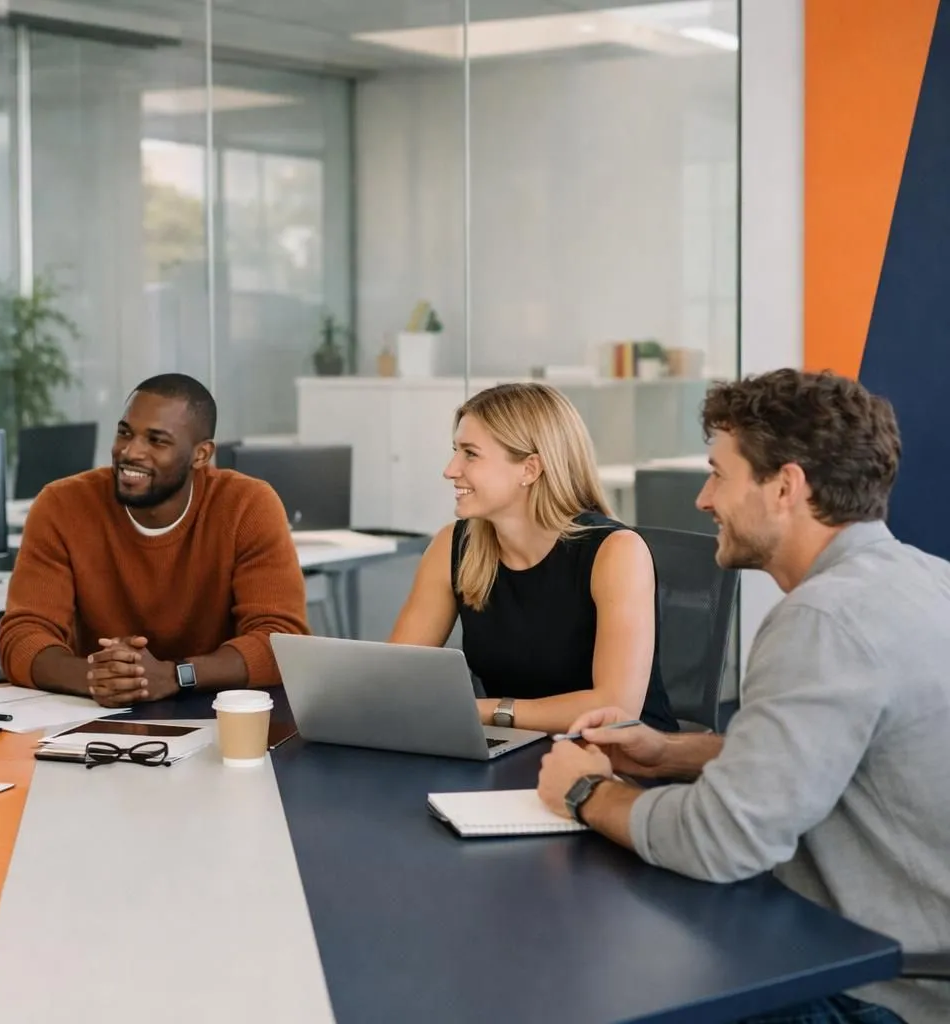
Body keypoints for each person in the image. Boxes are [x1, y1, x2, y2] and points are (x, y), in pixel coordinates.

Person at [537, 369, 950, 1024]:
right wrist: (669, 755)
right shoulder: (926, 578)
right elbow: (842, 753)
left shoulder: (825, 618)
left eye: (719, 475)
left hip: (878, 991)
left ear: (785, 487)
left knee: (583, 984)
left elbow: (720, 840)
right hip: (894, 958)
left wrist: (587, 791)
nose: (704, 499)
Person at [0, 373, 310, 707]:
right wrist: (97, 677)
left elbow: (280, 641)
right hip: (93, 715)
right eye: (124, 433)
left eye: (157, 440)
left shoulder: (247, 506)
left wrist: (176, 676)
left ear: (201, 455)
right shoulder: (62, 505)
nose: (130, 452)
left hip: (217, 712)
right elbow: (23, 635)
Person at [387, 381, 676, 735]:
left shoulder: (615, 552)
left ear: (529, 469)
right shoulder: (454, 546)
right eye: (455, 451)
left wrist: (484, 711)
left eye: (470, 454)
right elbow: (395, 675)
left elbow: (614, 708)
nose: (450, 469)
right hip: (512, 750)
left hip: (621, 758)